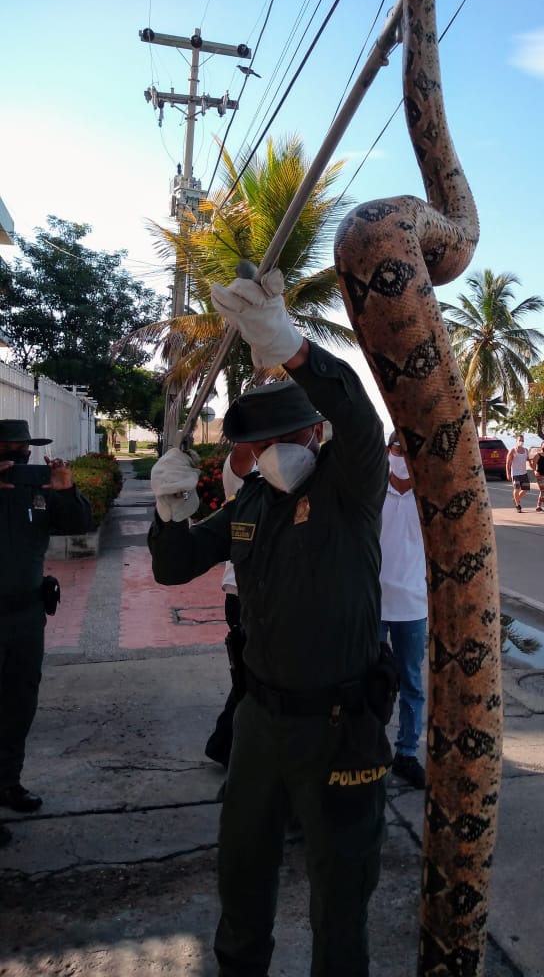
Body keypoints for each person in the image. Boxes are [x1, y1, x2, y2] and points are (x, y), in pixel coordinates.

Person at [148, 266, 390, 977]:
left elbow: (359, 417)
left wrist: (288, 344)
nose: (270, 452)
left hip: (341, 726)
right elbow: (173, 568)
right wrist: (169, 514)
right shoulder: (250, 504)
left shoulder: (351, 489)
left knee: (341, 890)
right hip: (259, 722)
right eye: (258, 442)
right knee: (241, 870)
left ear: (314, 431)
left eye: (288, 434)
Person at [0, 419, 92, 848]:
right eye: (9, 450)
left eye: (24, 450)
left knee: (20, 703)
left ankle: (8, 782)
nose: (19, 457)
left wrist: (65, 489)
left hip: (26, 617)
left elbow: (76, 526)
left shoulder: (35, 490)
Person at [204, 443, 257, 769]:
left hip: (276, 595)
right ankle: (226, 747)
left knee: (255, 680)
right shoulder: (250, 476)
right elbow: (239, 461)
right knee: (251, 679)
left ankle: (226, 747)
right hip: (243, 595)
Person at [380, 430, 427, 790]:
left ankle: (406, 754)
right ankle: (368, 749)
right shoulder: (371, 491)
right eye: (399, 447)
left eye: (410, 451)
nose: (403, 455)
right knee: (368, 681)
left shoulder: (430, 502)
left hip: (412, 606)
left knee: (412, 683)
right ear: (388, 450)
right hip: (372, 605)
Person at [506, 433, 531, 512]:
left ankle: (516, 499)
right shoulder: (513, 451)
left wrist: (534, 467)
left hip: (524, 473)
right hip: (515, 473)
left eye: (522, 440)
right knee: (516, 489)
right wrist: (508, 473)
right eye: (520, 440)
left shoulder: (526, 450)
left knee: (525, 489)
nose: (521, 442)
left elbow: (528, 460)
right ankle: (518, 505)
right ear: (516, 441)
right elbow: (508, 463)